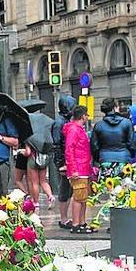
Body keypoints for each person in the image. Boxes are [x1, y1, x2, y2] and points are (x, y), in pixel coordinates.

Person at [63, 105, 94, 234]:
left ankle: (81, 222)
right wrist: (73, 168)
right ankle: (76, 223)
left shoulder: (77, 129)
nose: (87, 117)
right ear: (83, 116)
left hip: (83, 167)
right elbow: (69, 149)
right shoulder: (74, 130)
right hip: (79, 168)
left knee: (83, 197)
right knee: (78, 197)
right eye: (86, 115)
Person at [52, 95, 77, 229]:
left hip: (68, 160)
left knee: (69, 190)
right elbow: (56, 145)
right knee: (64, 189)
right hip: (64, 161)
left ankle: (66, 217)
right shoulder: (59, 123)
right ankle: (63, 218)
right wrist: (61, 163)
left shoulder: (66, 122)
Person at [90, 98, 136, 169]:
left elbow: (94, 146)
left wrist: (99, 158)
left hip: (105, 158)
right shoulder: (127, 123)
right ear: (115, 108)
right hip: (123, 158)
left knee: (106, 180)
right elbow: (132, 144)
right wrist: (130, 155)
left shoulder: (99, 125)